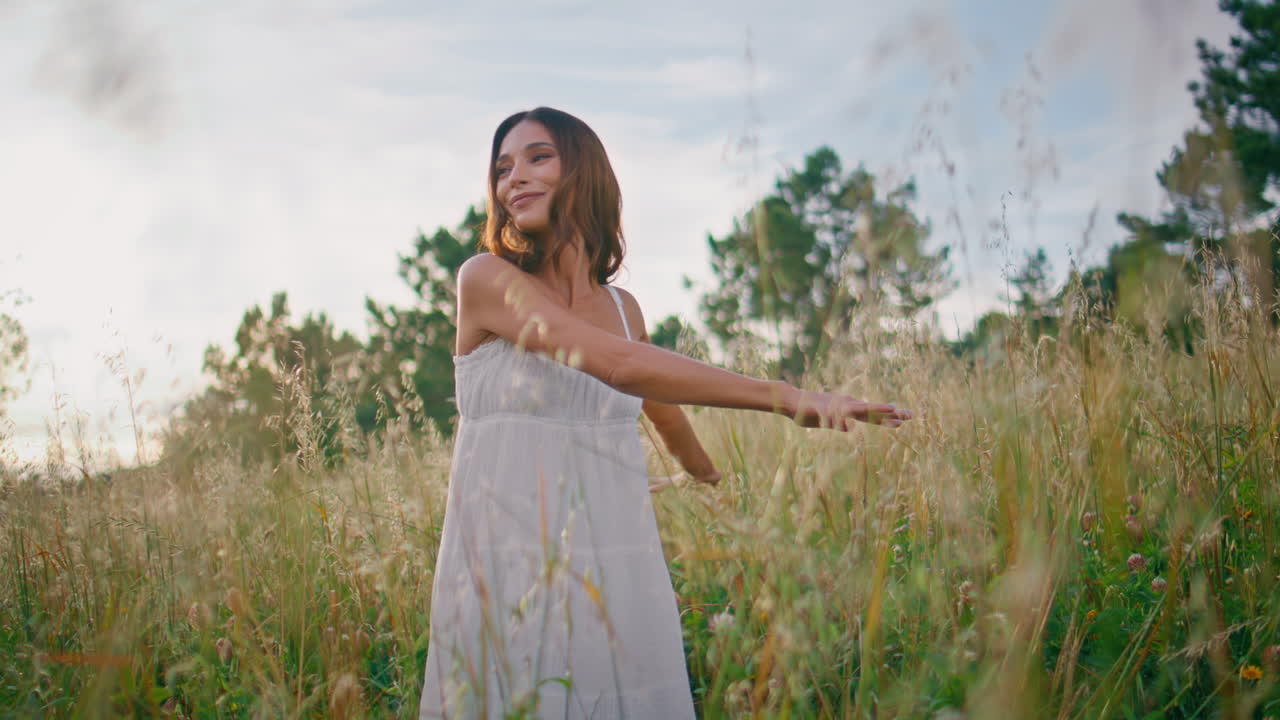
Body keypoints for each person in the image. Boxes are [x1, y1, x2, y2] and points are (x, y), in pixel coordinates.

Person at [418, 107, 912, 720]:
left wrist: (701, 479)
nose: (513, 177)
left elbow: (665, 415)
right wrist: (787, 398)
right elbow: (616, 366)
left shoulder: (625, 310)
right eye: (502, 168)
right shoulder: (486, 278)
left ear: (585, 172)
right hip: (506, 555)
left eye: (538, 157)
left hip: (613, 554)